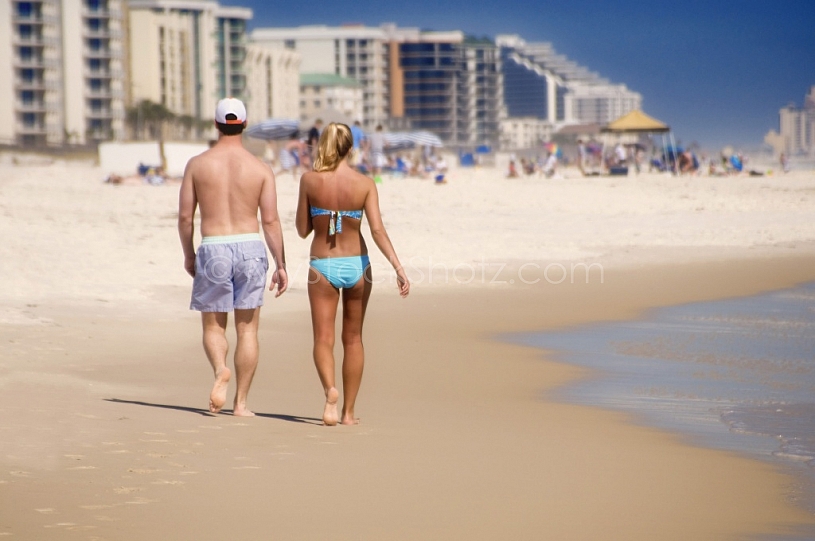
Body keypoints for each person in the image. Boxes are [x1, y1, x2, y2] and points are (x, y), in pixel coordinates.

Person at [178, 98, 288, 417]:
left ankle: (220, 370)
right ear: (245, 124)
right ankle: (241, 404)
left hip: (213, 246)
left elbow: (185, 217)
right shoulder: (260, 168)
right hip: (250, 248)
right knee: (248, 330)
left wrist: (189, 254)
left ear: (216, 124)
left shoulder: (197, 165)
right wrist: (280, 264)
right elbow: (270, 220)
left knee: (214, 327)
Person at [295, 122, 409, 426]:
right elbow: (378, 230)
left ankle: (330, 391)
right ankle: (347, 413)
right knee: (354, 339)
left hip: (323, 266)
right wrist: (398, 267)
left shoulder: (309, 180)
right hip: (358, 266)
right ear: (350, 148)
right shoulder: (365, 183)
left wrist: (321, 214)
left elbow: (302, 230)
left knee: (323, 338)